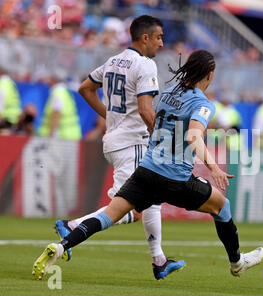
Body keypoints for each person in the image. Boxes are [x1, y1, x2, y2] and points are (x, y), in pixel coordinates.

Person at [32, 49, 263, 281]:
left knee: (109, 215)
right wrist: (213, 167)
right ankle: (236, 263)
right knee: (221, 207)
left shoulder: (168, 92)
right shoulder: (203, 104)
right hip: (176, 179)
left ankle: (61, 246)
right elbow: (193, 136)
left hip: (147, 170)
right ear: (210, 75)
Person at [53, 15, 185, 279]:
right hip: (134, 142)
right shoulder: (145, 65)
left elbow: (85, 87)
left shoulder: (113, 61)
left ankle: (159, 261)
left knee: (152, 200)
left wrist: (110, 117)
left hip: (115, 140)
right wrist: (160, 139)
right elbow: (147, 111)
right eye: (159, 37)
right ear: (145, 37)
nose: (162, 43)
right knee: (130, 208)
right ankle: (72, 226)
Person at [38, 73, 82, 140]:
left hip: (63, 137)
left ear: (54, 79)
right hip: (70, 135)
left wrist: (51, 134)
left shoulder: (57, 92)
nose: (47, 81)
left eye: (49, 78)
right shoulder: (64, 91)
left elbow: (57, 113)